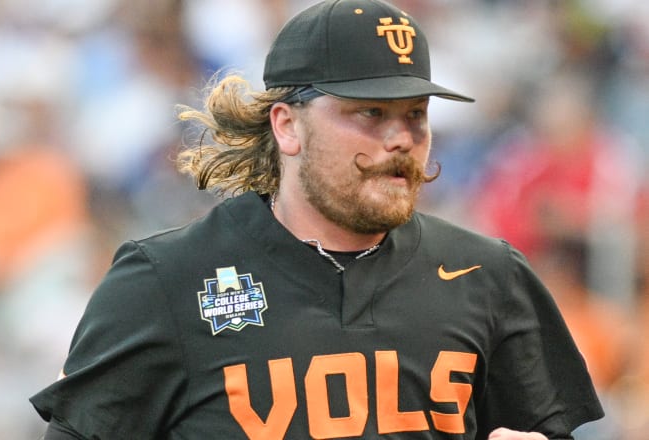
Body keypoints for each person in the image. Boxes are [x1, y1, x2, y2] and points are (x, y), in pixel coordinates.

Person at [30, 0, 604, 438]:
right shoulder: (165, 279)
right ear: (287, 125)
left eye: (416, 115)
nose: (401, 138)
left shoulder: (488, 275)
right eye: (370, 113)